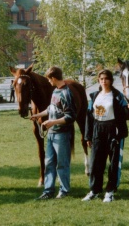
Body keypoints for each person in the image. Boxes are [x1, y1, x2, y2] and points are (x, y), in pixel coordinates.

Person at [82, 69, 129, 203]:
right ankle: (94, 190)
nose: (104, 81)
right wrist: (87, 136)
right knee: (95, 162)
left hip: (114, 131)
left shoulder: (117, 96)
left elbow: (126, 115)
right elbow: (89, 116)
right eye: (101, 79)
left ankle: (110, 191)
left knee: (113, 163)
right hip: (97, 130)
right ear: (98, 81)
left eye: (106, 78)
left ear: (111, 80)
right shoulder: (94, 96)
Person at [31, 66, 77, 200]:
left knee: (62, 163)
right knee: (49, 163)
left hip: (62, 134)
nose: (48, 82)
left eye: (49, 79)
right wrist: (38, 114)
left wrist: (53, 122)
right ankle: (48, 190)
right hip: (52, 134)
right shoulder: (55, 91)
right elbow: (51, 108)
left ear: (54, 78)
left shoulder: (66, 93)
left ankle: (64, 190)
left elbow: (71, 116)